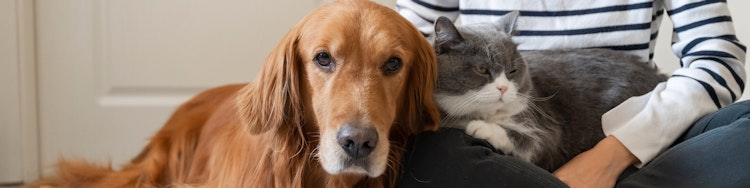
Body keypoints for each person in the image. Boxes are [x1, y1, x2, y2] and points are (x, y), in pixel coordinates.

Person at [395, 0, 749, 187]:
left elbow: (719, 58)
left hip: (638, 134)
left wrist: (611, 157)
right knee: (426, 149)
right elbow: (402, 53)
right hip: (494, 150)